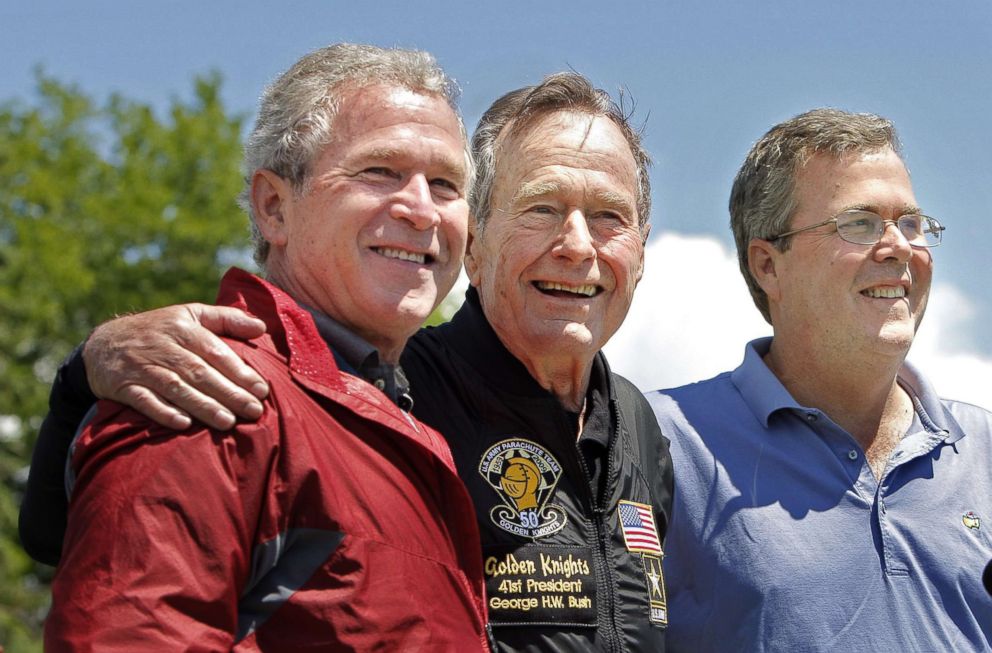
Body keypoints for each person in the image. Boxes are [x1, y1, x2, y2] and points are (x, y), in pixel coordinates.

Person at [23, 73, 674, 652]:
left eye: (443, 183)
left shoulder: (640, 428)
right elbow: (101, 572)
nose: (577, 245)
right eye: (542, 208)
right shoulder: (220, 385)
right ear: (477, 244)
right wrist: (86, 371)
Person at [41, 43, 490, 651]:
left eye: (444, 184)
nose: (420, 209)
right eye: (379, 171)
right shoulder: (206, 391)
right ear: (274, 206)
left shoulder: (405, 416)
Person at [649, 108, 992, 651]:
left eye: (910, 223)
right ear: (768, 265)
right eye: (858, 224)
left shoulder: (985, 450)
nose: (899, 246)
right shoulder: (660, 441)